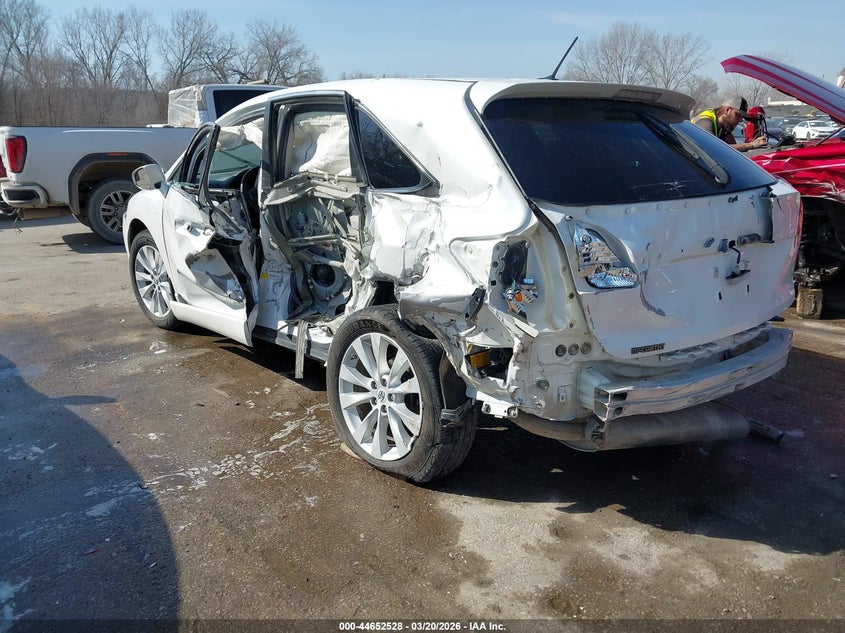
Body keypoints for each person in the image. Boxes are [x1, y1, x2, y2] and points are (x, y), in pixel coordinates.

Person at [691, 96, 767, 152]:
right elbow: (714, 149)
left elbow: (733, 150)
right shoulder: (705, 122)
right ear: (727, 110)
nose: (740, 120)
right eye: (738, 115)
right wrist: (751, 145)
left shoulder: (723, 127)